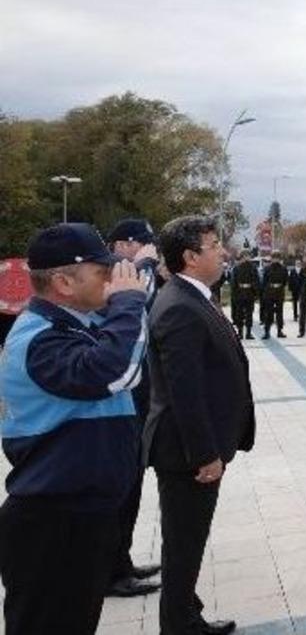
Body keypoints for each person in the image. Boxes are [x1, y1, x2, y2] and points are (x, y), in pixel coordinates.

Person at [0, 224, 147, 634]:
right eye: (102, 272)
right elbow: (117, 371)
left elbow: (130, 349)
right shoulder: (42, 339)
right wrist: (130, 303)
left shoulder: (73, 326)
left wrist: (135, 291)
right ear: (63, 282)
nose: (112, 280)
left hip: (78, 513)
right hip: (53, 520)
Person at [144, 215, 254, 635]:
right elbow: (182, 393)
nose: (223, 251)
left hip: (192, 446)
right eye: (213, 245)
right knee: (184, 544)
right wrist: (205, 454)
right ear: (190, 257)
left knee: (185, 540)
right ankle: (179, 627)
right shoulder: (179, 307)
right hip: (187, 452)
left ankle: (185, 613)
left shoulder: (192, 296)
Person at [105, 218, 165, 599]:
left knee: (131, 488)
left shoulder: (138, 273)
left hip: (137, 400)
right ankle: (110, 570)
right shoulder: (119, 278)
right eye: (142, 246)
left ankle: (121, 561)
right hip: (120, 403)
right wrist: (142, 266)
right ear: (123, 246)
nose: (151, 252)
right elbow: (134, 305)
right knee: (120, 491)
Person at [229, 250, 259, 340]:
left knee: (249, 313)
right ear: (242, 257)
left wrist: (256, 292)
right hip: (240, 293)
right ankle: (240, 332)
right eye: (245, 256)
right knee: (239, 314)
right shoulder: (237, 268)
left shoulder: (253, 268)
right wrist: (234, 294)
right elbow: (233, 282)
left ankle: (248, 333)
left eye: (248, 256)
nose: (247, 258)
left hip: (249, 293)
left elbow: (256, 280)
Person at [260, 252, 289, 339]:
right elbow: (264, 281)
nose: (276, 259)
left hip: (279, 292)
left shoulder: (283, 269)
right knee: (268, 313)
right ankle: (267, 331)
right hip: (269, 293)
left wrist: (279, 287)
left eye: (277, 258)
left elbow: (285, 281)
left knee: (279, 313)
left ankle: (280, 330)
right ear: (272, 259)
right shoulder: (267, 268)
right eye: (274, 258)